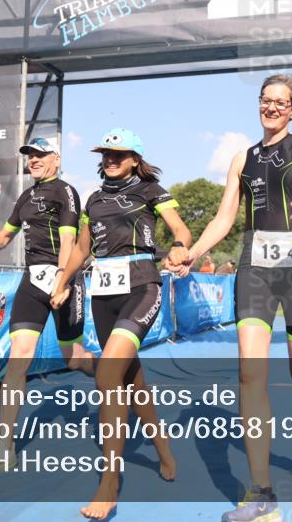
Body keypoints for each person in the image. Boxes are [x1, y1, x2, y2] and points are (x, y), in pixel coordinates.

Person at [175, 73, 292, 519]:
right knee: (250, 375)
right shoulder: (242, 158)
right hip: (255, 270)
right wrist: (193, 254)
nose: (272, 108)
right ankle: (260, 492)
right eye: (266, 100)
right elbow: (223, 219)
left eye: (281, 102)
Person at [51, 127, 191, 520]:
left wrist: (180, 246)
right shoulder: (93, 199)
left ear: (135, 159)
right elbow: (82, 248)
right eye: (106, 154)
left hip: (142, 286)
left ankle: (109, 482)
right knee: (132, 381)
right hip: (104, 296)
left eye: (118, 154)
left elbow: (179, 228)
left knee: (107, 374)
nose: (110, 160)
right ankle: (161, 444)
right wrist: (62, 283)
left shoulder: (151, 190)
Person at [0, 137, 95, 474]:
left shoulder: (65, 191)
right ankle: (3, 448)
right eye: (30, 156)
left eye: (41, 155)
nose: (34, 160)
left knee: (74, 360)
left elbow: (69, 240)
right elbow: (5, 237)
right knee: (18, 361)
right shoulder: (25, 197)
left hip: (64, 278)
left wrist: (62, 282)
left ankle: (113, 375)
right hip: (32, 282)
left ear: (56, 158)